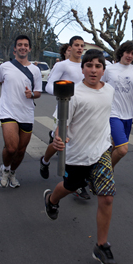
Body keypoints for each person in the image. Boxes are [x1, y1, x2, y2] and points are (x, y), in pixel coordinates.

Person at [43, 49, 120, 264]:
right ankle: (51, 200)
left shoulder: (109, 90)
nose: (93, 70)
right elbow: (61, 125)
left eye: (98, 66)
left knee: (106, 198)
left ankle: (101, 246)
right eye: (89, 65)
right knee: (70, 186)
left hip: (102, 151)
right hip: (76, 154)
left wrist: (112, 138)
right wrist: (59, 138)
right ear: (82, 68)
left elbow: (105, 116)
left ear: (103, 70)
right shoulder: (72, 93)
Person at [0, 35, 42, 188]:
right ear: (15, 48)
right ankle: (5, 169)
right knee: (11, 148)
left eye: (26, 45)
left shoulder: (35, 70)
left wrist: (32, 94)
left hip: (26, 113)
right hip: (7, 111)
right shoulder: (5, 67)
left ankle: (13, 172)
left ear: (29, 48)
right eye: (20, 45)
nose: (23, 47)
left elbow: (38, 92)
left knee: (21, 150)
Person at [40, 36, 89, 198]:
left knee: (77, 145)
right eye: (77, 45)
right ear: (71, 47)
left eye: (82, 46)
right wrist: (64, 93)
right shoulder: (62, 65)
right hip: (63, 111)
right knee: (59, 143)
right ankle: (45, 161)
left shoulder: (87, 65)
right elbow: (48, 86)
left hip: (82, 113)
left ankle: (77, 184)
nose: (80, 48)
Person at [100, 41, 133, 167]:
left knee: (116, 148)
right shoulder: (109, 69)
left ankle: (101, 172)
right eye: (127, 52)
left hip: (128, 115)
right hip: (113, 113)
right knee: (122, 149)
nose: (130, 56)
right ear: (121, 53)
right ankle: (104, 174)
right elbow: (100, 88)